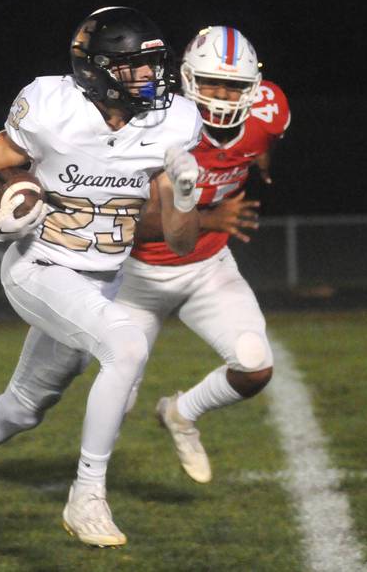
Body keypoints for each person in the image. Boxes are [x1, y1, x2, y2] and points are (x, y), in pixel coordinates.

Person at [0, 6, 213, 548]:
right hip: (39, 267)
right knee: (127, 345)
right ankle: (87, 495)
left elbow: (181, 243)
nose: (150, 78)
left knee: (24, 408)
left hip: (100, 280)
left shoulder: (175, 123)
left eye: (153, 65)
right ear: (97, 69)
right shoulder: (53, 108)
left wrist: (184, 195)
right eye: (136, 66)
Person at [114, 26, 291, 483]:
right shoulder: (156, 124)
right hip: (139, 275)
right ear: (187, 79)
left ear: (252, 88)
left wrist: (260, 164)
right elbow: (128, 223)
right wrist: (212, 219)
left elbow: (262, 145)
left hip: (207, 269)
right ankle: (88, 491)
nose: (220, 95)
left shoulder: (268, 114)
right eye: (210, 82)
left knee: (254, 365)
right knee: (117, 400)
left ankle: (181, 413)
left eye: (232, 85)